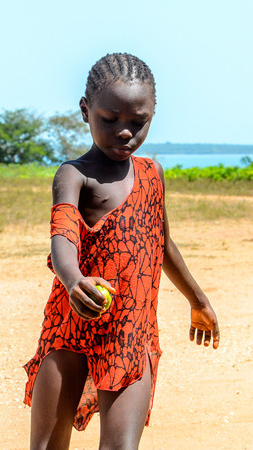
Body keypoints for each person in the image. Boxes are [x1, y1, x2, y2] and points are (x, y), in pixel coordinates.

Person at [23, 53, 220, 450]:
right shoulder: (75, 175)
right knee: (47, 446)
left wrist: (198, 300)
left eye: (138, 121)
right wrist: (74, 280)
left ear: (152, 114)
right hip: (71, 328)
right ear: (85, 111)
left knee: (120, 447)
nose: (125, 132)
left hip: (131, 332)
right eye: (109, 119)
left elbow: (161, 244)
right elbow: (62, 240)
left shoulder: (153, 174)